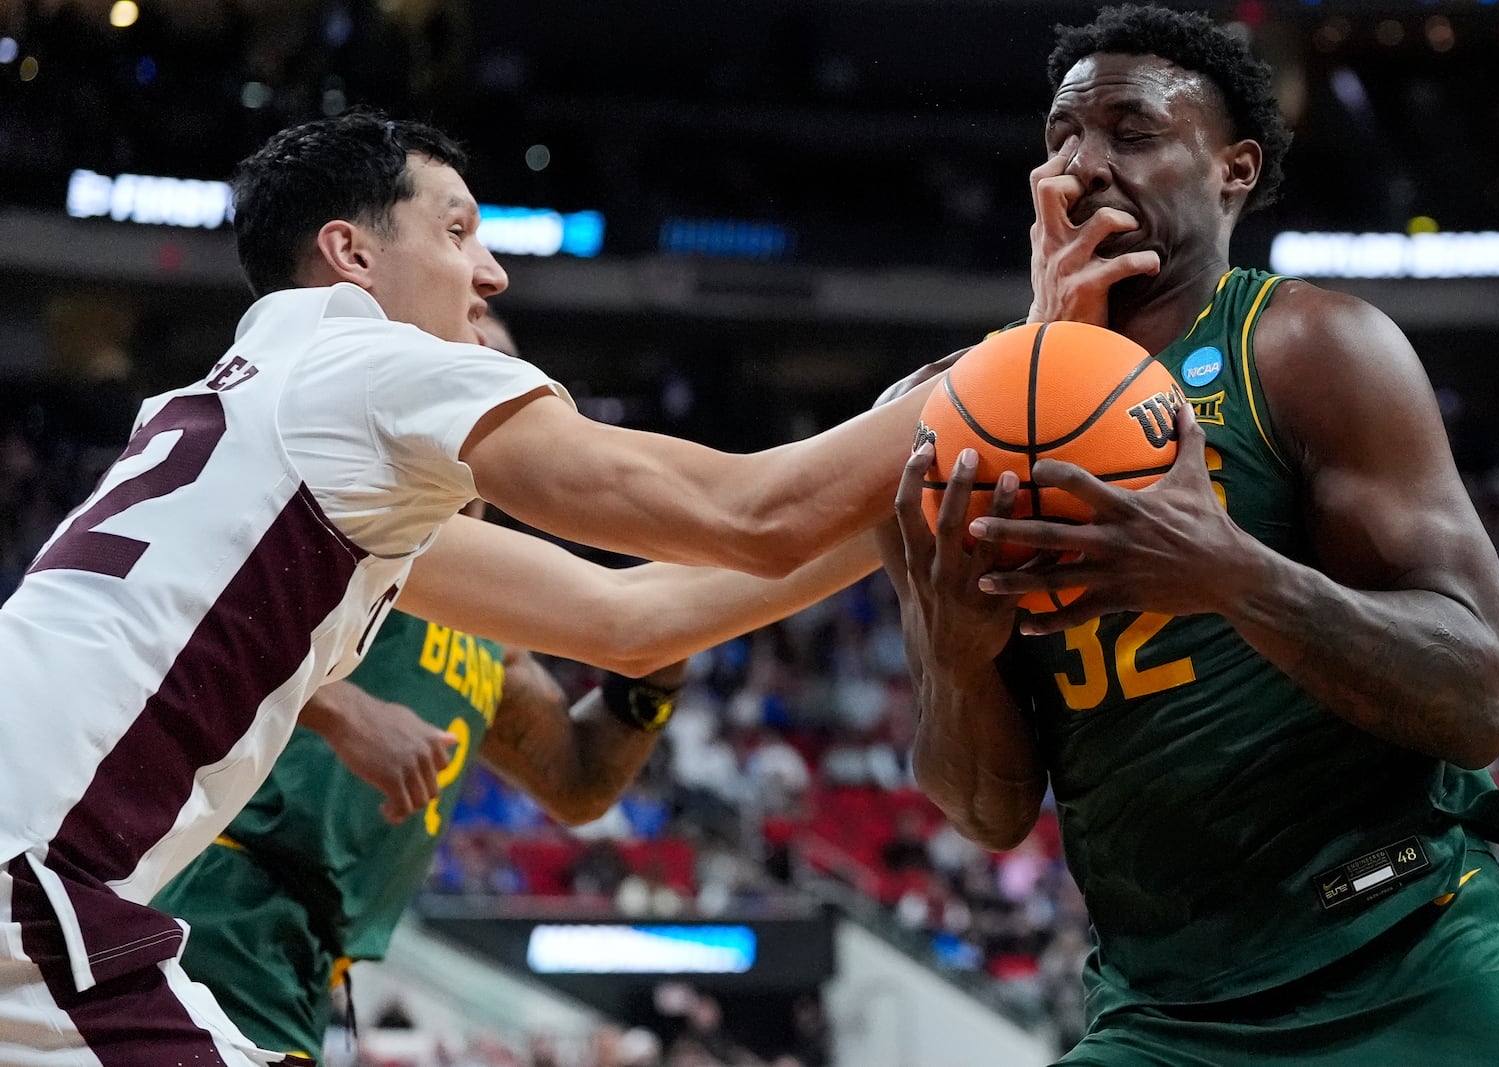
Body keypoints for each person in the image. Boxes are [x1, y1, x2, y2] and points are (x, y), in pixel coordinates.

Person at [0, 108, 934, 1065]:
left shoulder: (274, 425)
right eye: (456, 233)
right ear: (351, 254)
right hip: (48, 880)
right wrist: (995, 388)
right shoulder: (365, 365)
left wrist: (899, 505)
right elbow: (747, 512)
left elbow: (630, 618)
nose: (490, 273)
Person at [881, 6, 1499, 1064]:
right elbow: (985, 811)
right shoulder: (952, 419)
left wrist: (1230, 572)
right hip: (1166, 1011)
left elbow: (1481, 699)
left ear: (1234, 171)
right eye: (1062, 137)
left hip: (1407, 955)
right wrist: (951, 650)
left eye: (1132, 131)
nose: (1084, 162)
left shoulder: (1309, 347)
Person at [147, 317, 692, 1059]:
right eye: (470, 360)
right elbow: (176, 611)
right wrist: (342, 707)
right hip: (223, 889)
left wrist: (659, 670)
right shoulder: (354, 514)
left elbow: (578, 781)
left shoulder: (490, 617)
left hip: (302, 947)